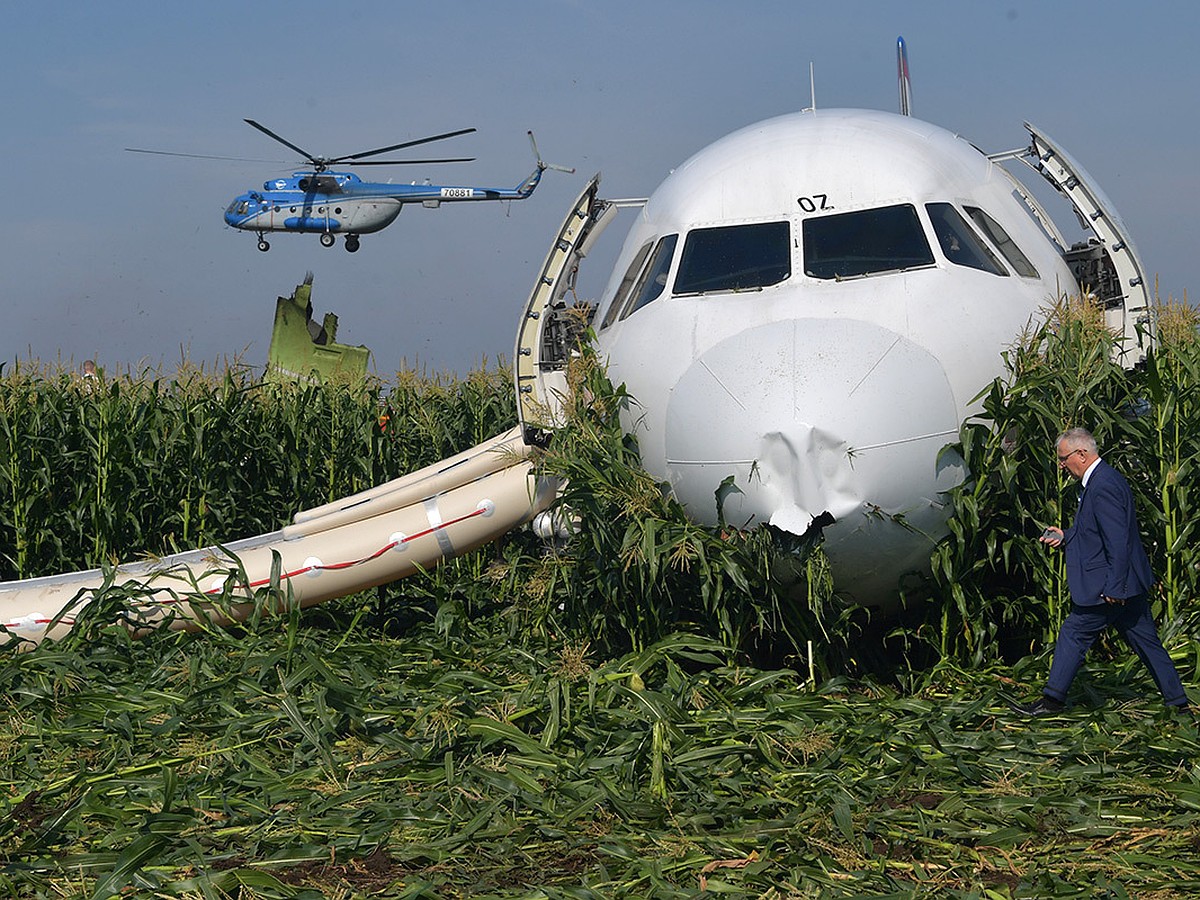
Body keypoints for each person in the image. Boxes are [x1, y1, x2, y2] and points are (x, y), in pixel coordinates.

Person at [1013, 427, 1190, 717]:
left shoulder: (1102, 485)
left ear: (1081, 455)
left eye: (1063, 458)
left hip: (1111, 586)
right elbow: (1098, 531)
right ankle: (1179, 704)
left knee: (1073, 632)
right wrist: (1067, 536)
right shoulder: (1101, 479)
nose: (1061, 464)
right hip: (1128, 583)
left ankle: (1052, 701)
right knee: (1147, 643)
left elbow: (1117, 541)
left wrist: (1114, 589)